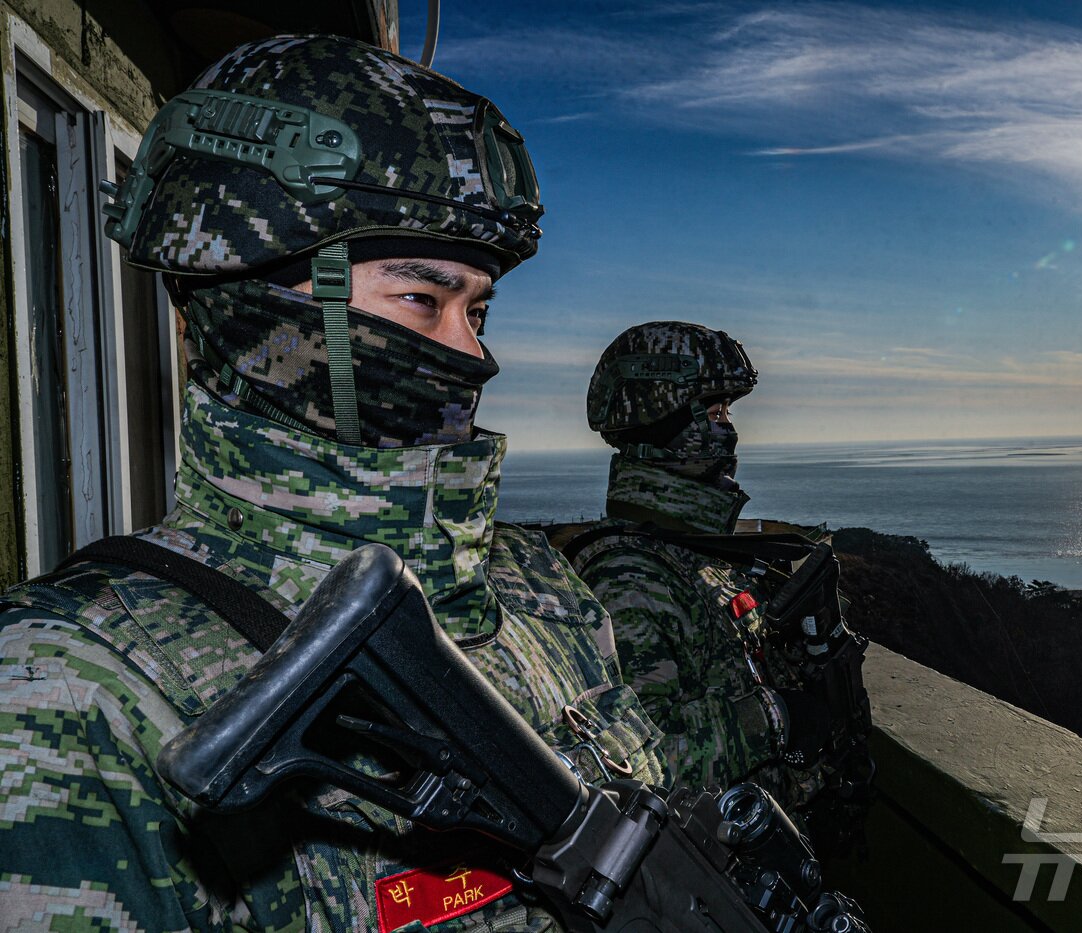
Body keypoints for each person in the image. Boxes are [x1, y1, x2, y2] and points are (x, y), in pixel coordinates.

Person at [0, 35, 665, 932]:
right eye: (422, 300)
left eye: (480, 308)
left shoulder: (544, 594)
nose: (474, 355)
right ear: (263, 312)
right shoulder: (73, 686)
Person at [565, 322, 842, 806]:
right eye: (714, 411)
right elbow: (635, 765)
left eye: (728, 411)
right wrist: (775, 718)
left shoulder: (687, 553)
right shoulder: (627, 578)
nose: (728, 428)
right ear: (663, 418)